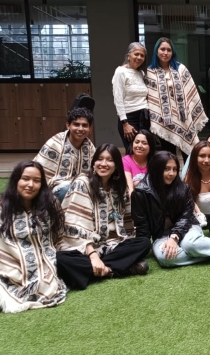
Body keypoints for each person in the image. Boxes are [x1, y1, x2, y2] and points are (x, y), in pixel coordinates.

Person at [55, 143, 152, 290]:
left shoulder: (119, 186)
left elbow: (127, 224)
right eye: (100, 159)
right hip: (83, 247)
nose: (104, 164)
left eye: (109, 160)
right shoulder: (83, 183)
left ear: (116, 165)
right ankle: (113, 269)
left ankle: (95, 271)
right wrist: (93, 255)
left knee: (144, 243)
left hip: (111, 244)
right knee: (61, 258)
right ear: (94, 163)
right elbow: (73, 226)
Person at [0, 161, 67, 315]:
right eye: (25, 179)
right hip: (3, 269)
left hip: (42, 268)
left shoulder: (49, 204)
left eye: (36, 181)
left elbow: (58, 234)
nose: (30, 185)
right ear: (16, 180)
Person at [132, 151, 210, 268]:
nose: (171, 173)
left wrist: (174, 237)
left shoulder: (183, 188)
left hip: (187, 226)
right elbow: (142, 225)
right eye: (166, 169)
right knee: (165, 258)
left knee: (190, 244)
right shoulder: (140, 193)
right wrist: (140, 250)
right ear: (156, 169)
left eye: (174, 169)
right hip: (161, 235)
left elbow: (186, 215)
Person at [146, 37, 208, 157]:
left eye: (169, 50)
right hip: (164, 122)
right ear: (156, 51)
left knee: (189, 154)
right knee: (168, 154)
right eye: (162, 49)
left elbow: (191, 92)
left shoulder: (181, 69)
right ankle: (172, 176)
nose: (165, 53)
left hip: (183, 119)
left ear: (172, 52)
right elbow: (150, 96)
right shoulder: (150, 72)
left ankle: (189, 175)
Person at [34, 107, 96, 202]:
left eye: (84, 125)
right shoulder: (55, 143)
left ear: (90, 128)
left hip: (80, 186)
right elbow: (38, 171)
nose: (80, 129)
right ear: (68, 125)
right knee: (67, 189)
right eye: (76, 124)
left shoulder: (90, 147)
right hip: (53, 189)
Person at [112, 42, 149, 153]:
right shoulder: (120, 72)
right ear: (129, 55)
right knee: (133, 152)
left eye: (142, 55)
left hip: (144, 117)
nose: (139, 57)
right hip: (129, 119)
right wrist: (125, 123)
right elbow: (118, 99)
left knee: (145, 153)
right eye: (136, 54)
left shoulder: (141, 73)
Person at [122, 129, 156, 194]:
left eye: (144, 143)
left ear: (150, 147)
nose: (139, 146)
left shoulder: (155, 162)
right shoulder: (126, 160)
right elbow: (130, 188)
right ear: (132, 145)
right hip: (134, 198)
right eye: (137, 142)